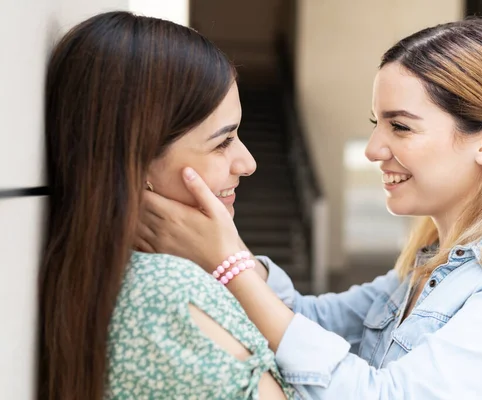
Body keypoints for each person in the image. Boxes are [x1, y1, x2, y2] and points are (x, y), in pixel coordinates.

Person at [136, 18, 482, 399]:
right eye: (377, 124)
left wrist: (229, 264)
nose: (374, 148)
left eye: (400, 127)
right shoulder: (426, 268)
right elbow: (304, 320)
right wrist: (222, 248)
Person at [38, 11, 294, 400]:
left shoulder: (108, 271)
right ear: (137, 159)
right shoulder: (169, 292)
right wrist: (232, 265)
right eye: (222, 142)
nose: (248, 163)